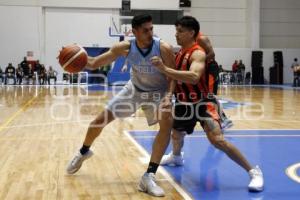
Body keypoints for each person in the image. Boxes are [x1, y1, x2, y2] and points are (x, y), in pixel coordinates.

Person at [66, 14, 175, 197]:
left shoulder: (163, 48)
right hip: (135, 89)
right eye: (145, 30)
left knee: (167, 123)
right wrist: (77, 56)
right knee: (98, 121)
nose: (150, 33)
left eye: (151, 29)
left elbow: (172, 75)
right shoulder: (124, 47)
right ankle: (83, 151)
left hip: (158, 92)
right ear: (134, 32)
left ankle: (149, 175)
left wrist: (169, 96)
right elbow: (93, 63)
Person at [151, 16, 264, 192]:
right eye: (176, 31)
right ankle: (176, 156)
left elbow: (194, 77)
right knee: (176, 133)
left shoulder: (198, 53)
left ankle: (253, 171)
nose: (176, 34)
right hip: (183, 103)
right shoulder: (179, 53)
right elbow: (173, 76)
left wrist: (164, 68)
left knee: (218, 141)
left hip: (203, 103)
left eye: (180, 31)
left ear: (191, 33)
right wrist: (168, 95)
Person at [197, 32, 233, 129]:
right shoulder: (190, 41)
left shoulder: (201, 38)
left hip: (210, 69)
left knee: (210, 95)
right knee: (206, 95)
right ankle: (221, 118)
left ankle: (224, 119)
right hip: (204, 69)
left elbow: (212, 53)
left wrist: (198, 61)